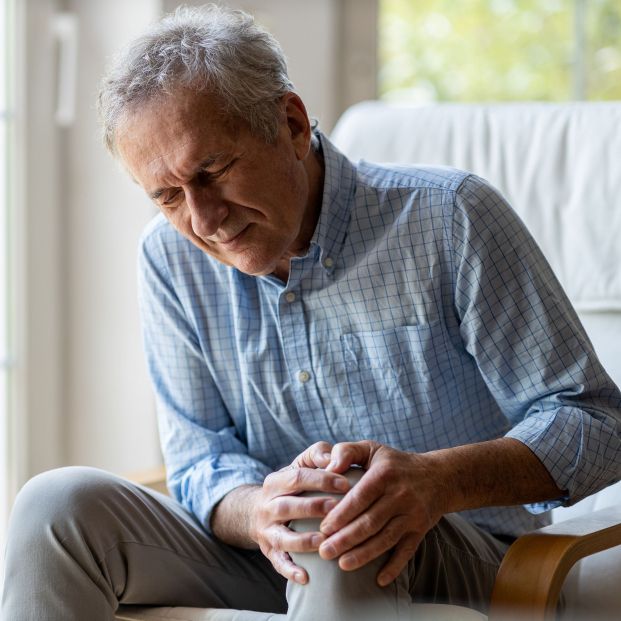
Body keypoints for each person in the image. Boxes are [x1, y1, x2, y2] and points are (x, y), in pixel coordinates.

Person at [2, 5, 621, 621]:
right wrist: (260, 510)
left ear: (292, 125)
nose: (204, 220)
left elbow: (598, 424)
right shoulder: (169, 259)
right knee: (56, 505)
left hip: (467, 555)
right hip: (276, 554)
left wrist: (436, 481)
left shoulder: (450, 218)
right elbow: (200, 458)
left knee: (337, 516)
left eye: (212, 171)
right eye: (167, 197)